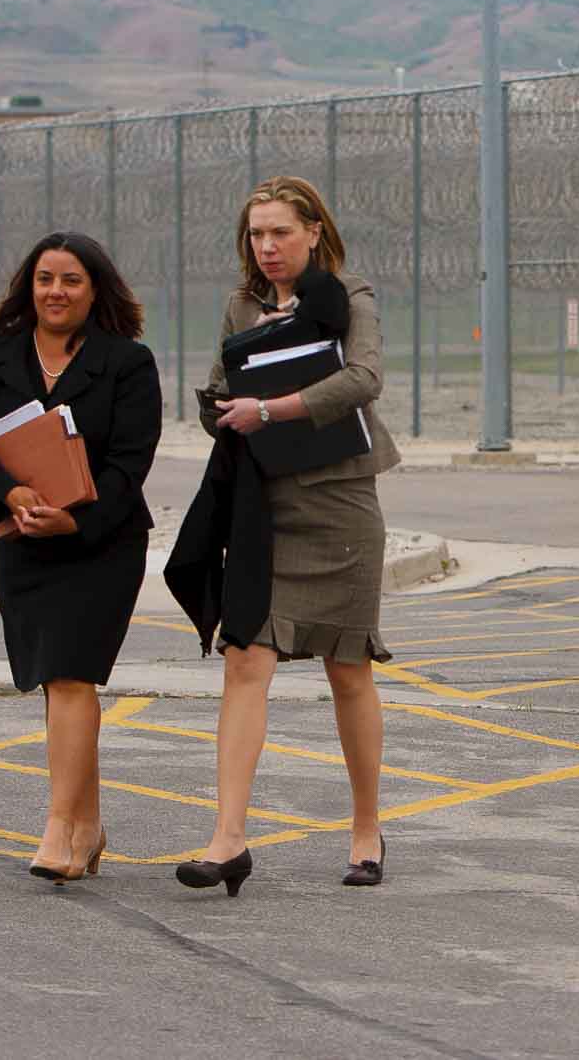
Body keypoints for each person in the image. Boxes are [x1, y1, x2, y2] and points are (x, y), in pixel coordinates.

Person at [171, 176, 401, 895]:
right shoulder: (242, 304)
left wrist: (269, 409)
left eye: (279, 233)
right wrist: (221, 410)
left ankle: (367, 828)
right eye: (255, 235)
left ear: (312, 232)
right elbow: (217, 387)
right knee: (246, 660)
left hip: (338, 501)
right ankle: (228, 838)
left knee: (347, 668)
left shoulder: (348, 296)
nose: (266, 247)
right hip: (263, 503)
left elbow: (364, 379)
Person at [0, 232, 160, 884]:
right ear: (28, 286)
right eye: (45, 279)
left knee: (70, 676)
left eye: (70, 280)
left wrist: (78, 516)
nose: (56, 292)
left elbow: (130, 461)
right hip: (22, 540)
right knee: (58, 683)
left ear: (95, 289)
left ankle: (59, 827)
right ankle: (88, 827)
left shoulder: (128, 362)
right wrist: (6, 494)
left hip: (100, 543)